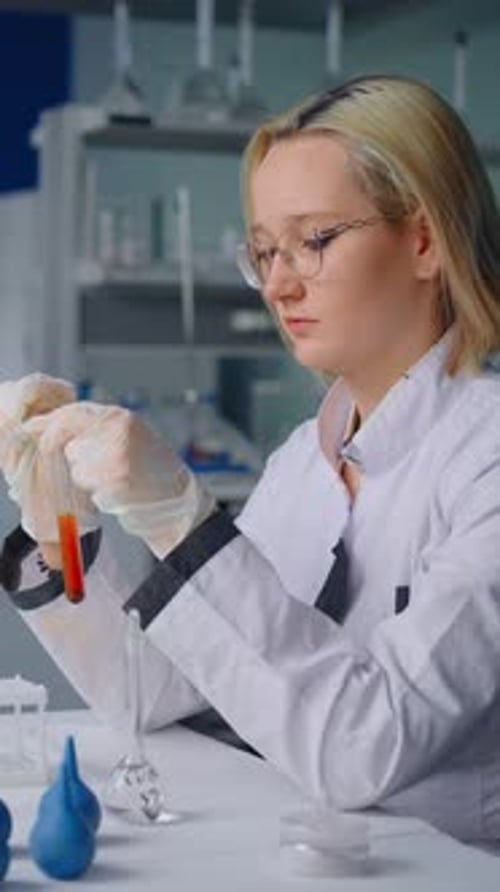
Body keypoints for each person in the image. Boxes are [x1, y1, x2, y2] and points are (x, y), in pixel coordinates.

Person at [1, 74, 500, 843]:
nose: (277, 284)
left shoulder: (484, 456)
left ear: (425, 240)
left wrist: (186, 525)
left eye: (314, 240)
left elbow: (362, 747)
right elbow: (165, 691)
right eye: (264, 251)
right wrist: (56, 530)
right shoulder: (304, 461)